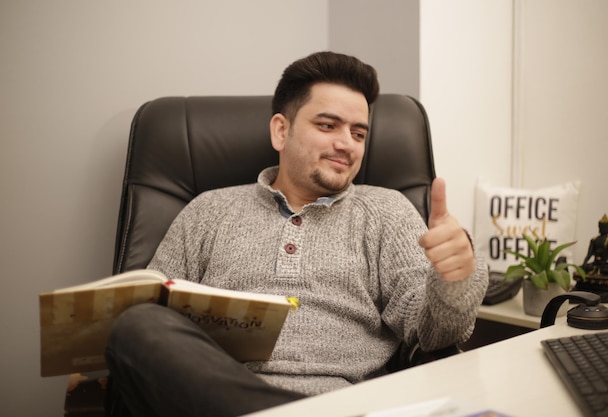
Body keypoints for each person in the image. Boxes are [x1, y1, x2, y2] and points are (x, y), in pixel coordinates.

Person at [105, 51, 488, 417]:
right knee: (136, 324)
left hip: (343, 404)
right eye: (327, 125)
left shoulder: (386, 211)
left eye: (358, 133)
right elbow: (150, 319)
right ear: (281, 131)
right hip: (214, 399)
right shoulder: (207, 211)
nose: (346, 144)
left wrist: (455, 279)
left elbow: (435, 335)